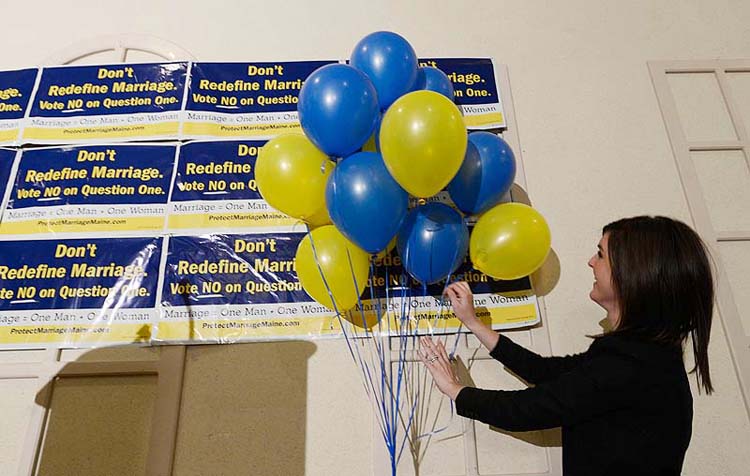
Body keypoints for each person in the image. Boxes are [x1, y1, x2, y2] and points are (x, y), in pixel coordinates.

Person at [418, 215, 714, 476]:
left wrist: (455, 390)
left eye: (601, 254)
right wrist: (474, 323)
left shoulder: (631, 366)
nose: (590, 261)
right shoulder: (641, 356)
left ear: (633, 274)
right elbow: (547, 371)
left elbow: (529, 409)